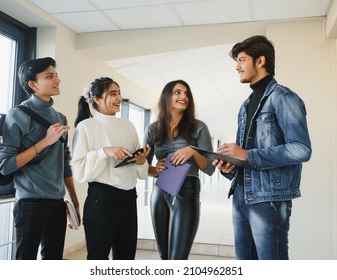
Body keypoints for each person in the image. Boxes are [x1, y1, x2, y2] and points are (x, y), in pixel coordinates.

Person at [213, 35, 312, 260]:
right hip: (241, 196)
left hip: (268, 199)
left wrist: (248, 154)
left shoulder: (284, 98)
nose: (237, 67)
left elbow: (301, 148)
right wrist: (231, 166)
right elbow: (245, 156)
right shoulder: (245, 105)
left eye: (241, 60)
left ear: (260, 61)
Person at [0, 57, 80, 260]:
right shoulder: (17, 114)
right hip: (30, 203)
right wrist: (45, 141)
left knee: (53, 259)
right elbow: (5, 165)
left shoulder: (60, 118)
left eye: (56, 75)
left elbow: (64, 162)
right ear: (32, 85)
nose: (57, 80)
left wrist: (74, 201)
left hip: (58, 202)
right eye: (49, 76)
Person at [71, 77, 150, 260]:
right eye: (112, 94)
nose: (119, 98)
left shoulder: (128, 126)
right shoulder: (86, 127)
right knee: (98, 258)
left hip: (129, 199)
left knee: (126, 257)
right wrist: (103, 151)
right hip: (102, 200)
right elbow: (79, 171)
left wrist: (140, 160)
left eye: (119, 93)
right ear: (97, 99)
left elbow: (141, 173)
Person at [144, 79, 215, 260]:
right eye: (177, 92)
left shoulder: (199, 127)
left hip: (187, 189)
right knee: (164, 256)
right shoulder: (152, 129)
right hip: (160, 191)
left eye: (186, 94)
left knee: (178, 258)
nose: (183, 96)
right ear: (167, 97)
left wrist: (193, 150)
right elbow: (143, 167)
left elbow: (210, 169)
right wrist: (154, 169)